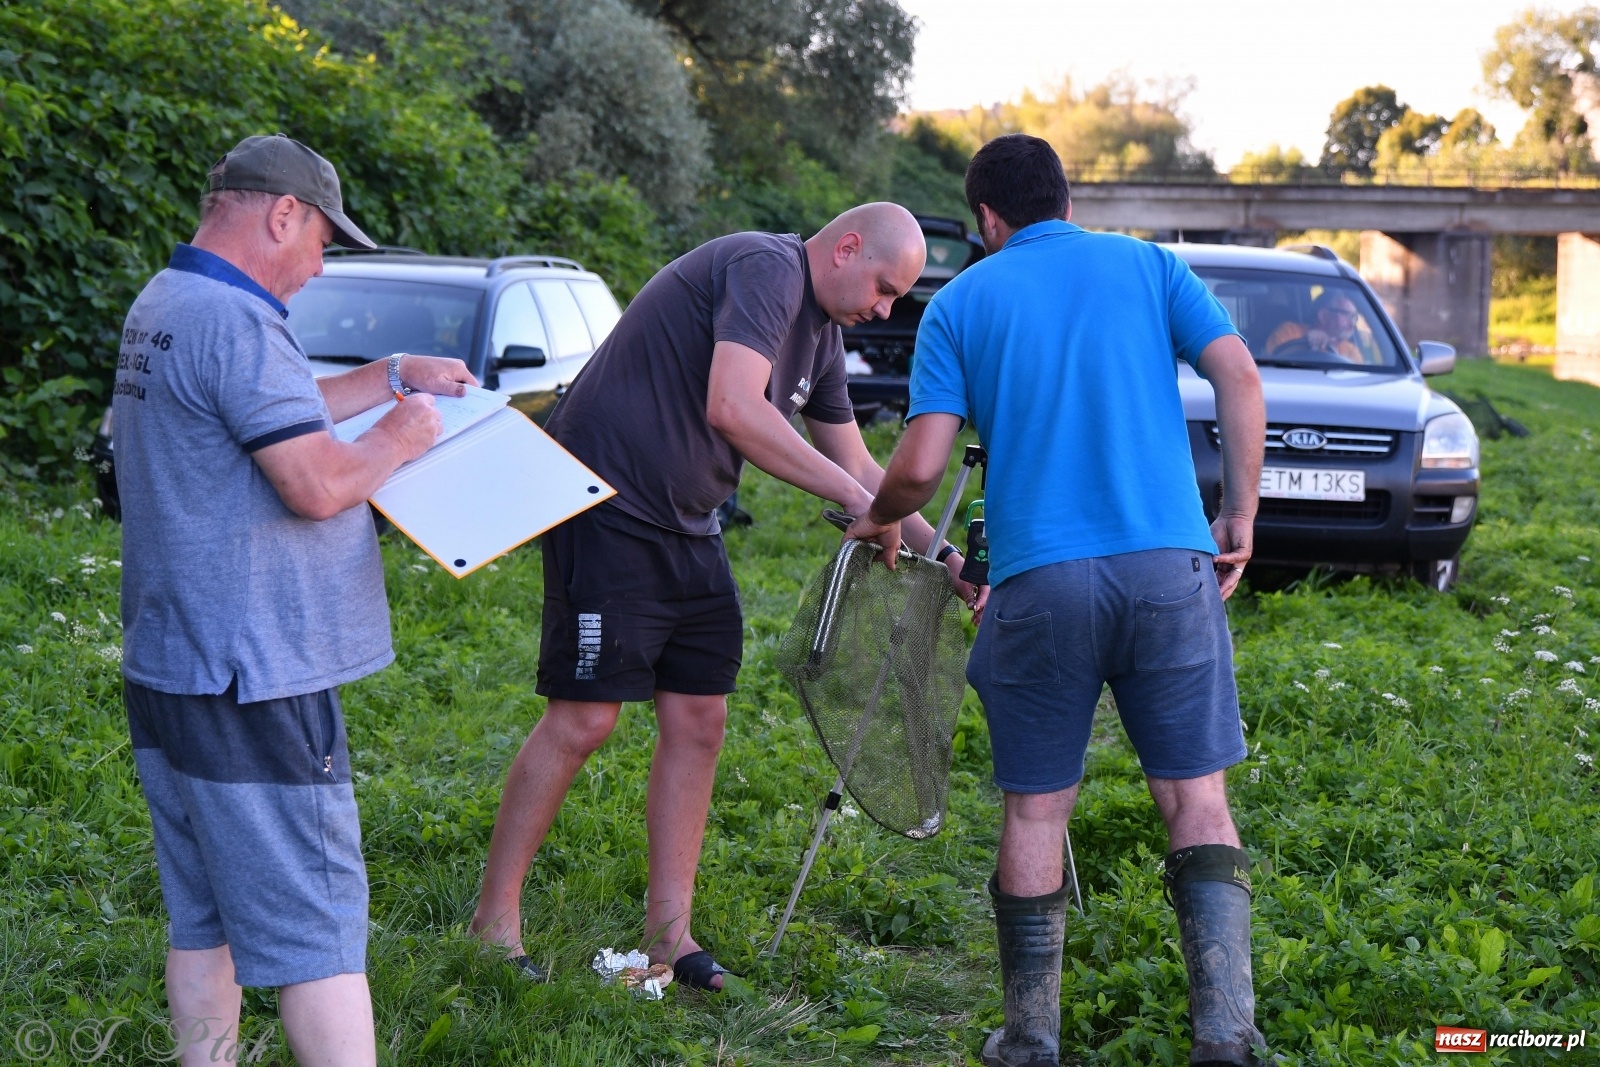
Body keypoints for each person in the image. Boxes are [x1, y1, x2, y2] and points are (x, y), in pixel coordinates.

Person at [469, 203, 983, 990]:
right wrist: (856, 501)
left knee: (701, 717)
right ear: (846, 247)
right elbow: (733, 406)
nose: (886, 309)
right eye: (884, 287)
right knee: (584, 717)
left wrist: (940, 553)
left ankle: (670, 936)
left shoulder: (824, 332)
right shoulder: (765, 268)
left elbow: (860, 463)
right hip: (605, 503)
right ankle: (491, 926)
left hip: (689, 522)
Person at [846, 136, 1271, 1067]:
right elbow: (1238, 374)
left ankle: (1031, 1039)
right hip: (1169, 566)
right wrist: (1237, 510)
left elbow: (919, 466)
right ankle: (1227, 1034)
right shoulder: (1151, 264)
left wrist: (873, 516)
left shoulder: (960, 302)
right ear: (1065, 199)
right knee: (1195, 796)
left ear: (988, 219)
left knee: (1038, 810)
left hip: (1039, 582)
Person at [114, 133, 475, 1067]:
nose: (318, 266)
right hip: (256, 674)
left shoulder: (170, 300)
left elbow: (266, 402)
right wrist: (400, 433)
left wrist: (391, 373)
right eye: (321, 240)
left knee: (204, 920)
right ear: (282, 213)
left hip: (174, 659)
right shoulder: (238, 319)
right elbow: (314, 483)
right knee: (318, 930)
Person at [1264, 290, 1369, 363]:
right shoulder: (1289, 331)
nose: (1352, 324)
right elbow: (1273, 364)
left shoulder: (1350, 351)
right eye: (1346, 315)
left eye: (1354, 317)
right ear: (1324, 315)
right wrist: (1305, 342)